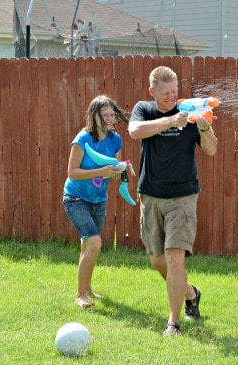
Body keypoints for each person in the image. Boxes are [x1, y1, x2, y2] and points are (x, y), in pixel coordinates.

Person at [128, 66, 218, 336]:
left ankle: (173, 323)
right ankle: (191, 292)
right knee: (158, 262)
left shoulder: (191, 112)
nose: (171, 97)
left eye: (174, 91)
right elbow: (134, 131)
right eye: (165, 92)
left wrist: (204, 129)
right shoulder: (144, 110)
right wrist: (169, 122)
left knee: (174, 257)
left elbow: (211, 150)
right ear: (152, 91)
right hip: (151, 195)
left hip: (183, 196)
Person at [63, 95, 132, 309]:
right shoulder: (83, 139)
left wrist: (122, 170)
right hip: (75, 198)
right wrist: (102, 170)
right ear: (95, 117)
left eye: (112, 114)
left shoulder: (115, 139)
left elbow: (114, 168)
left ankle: (88, 289)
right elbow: (72, 172)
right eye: (105, 115)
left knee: (87, 245)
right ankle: (80, 295)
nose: (110, 119)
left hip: (98, 199)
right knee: (94, 242)